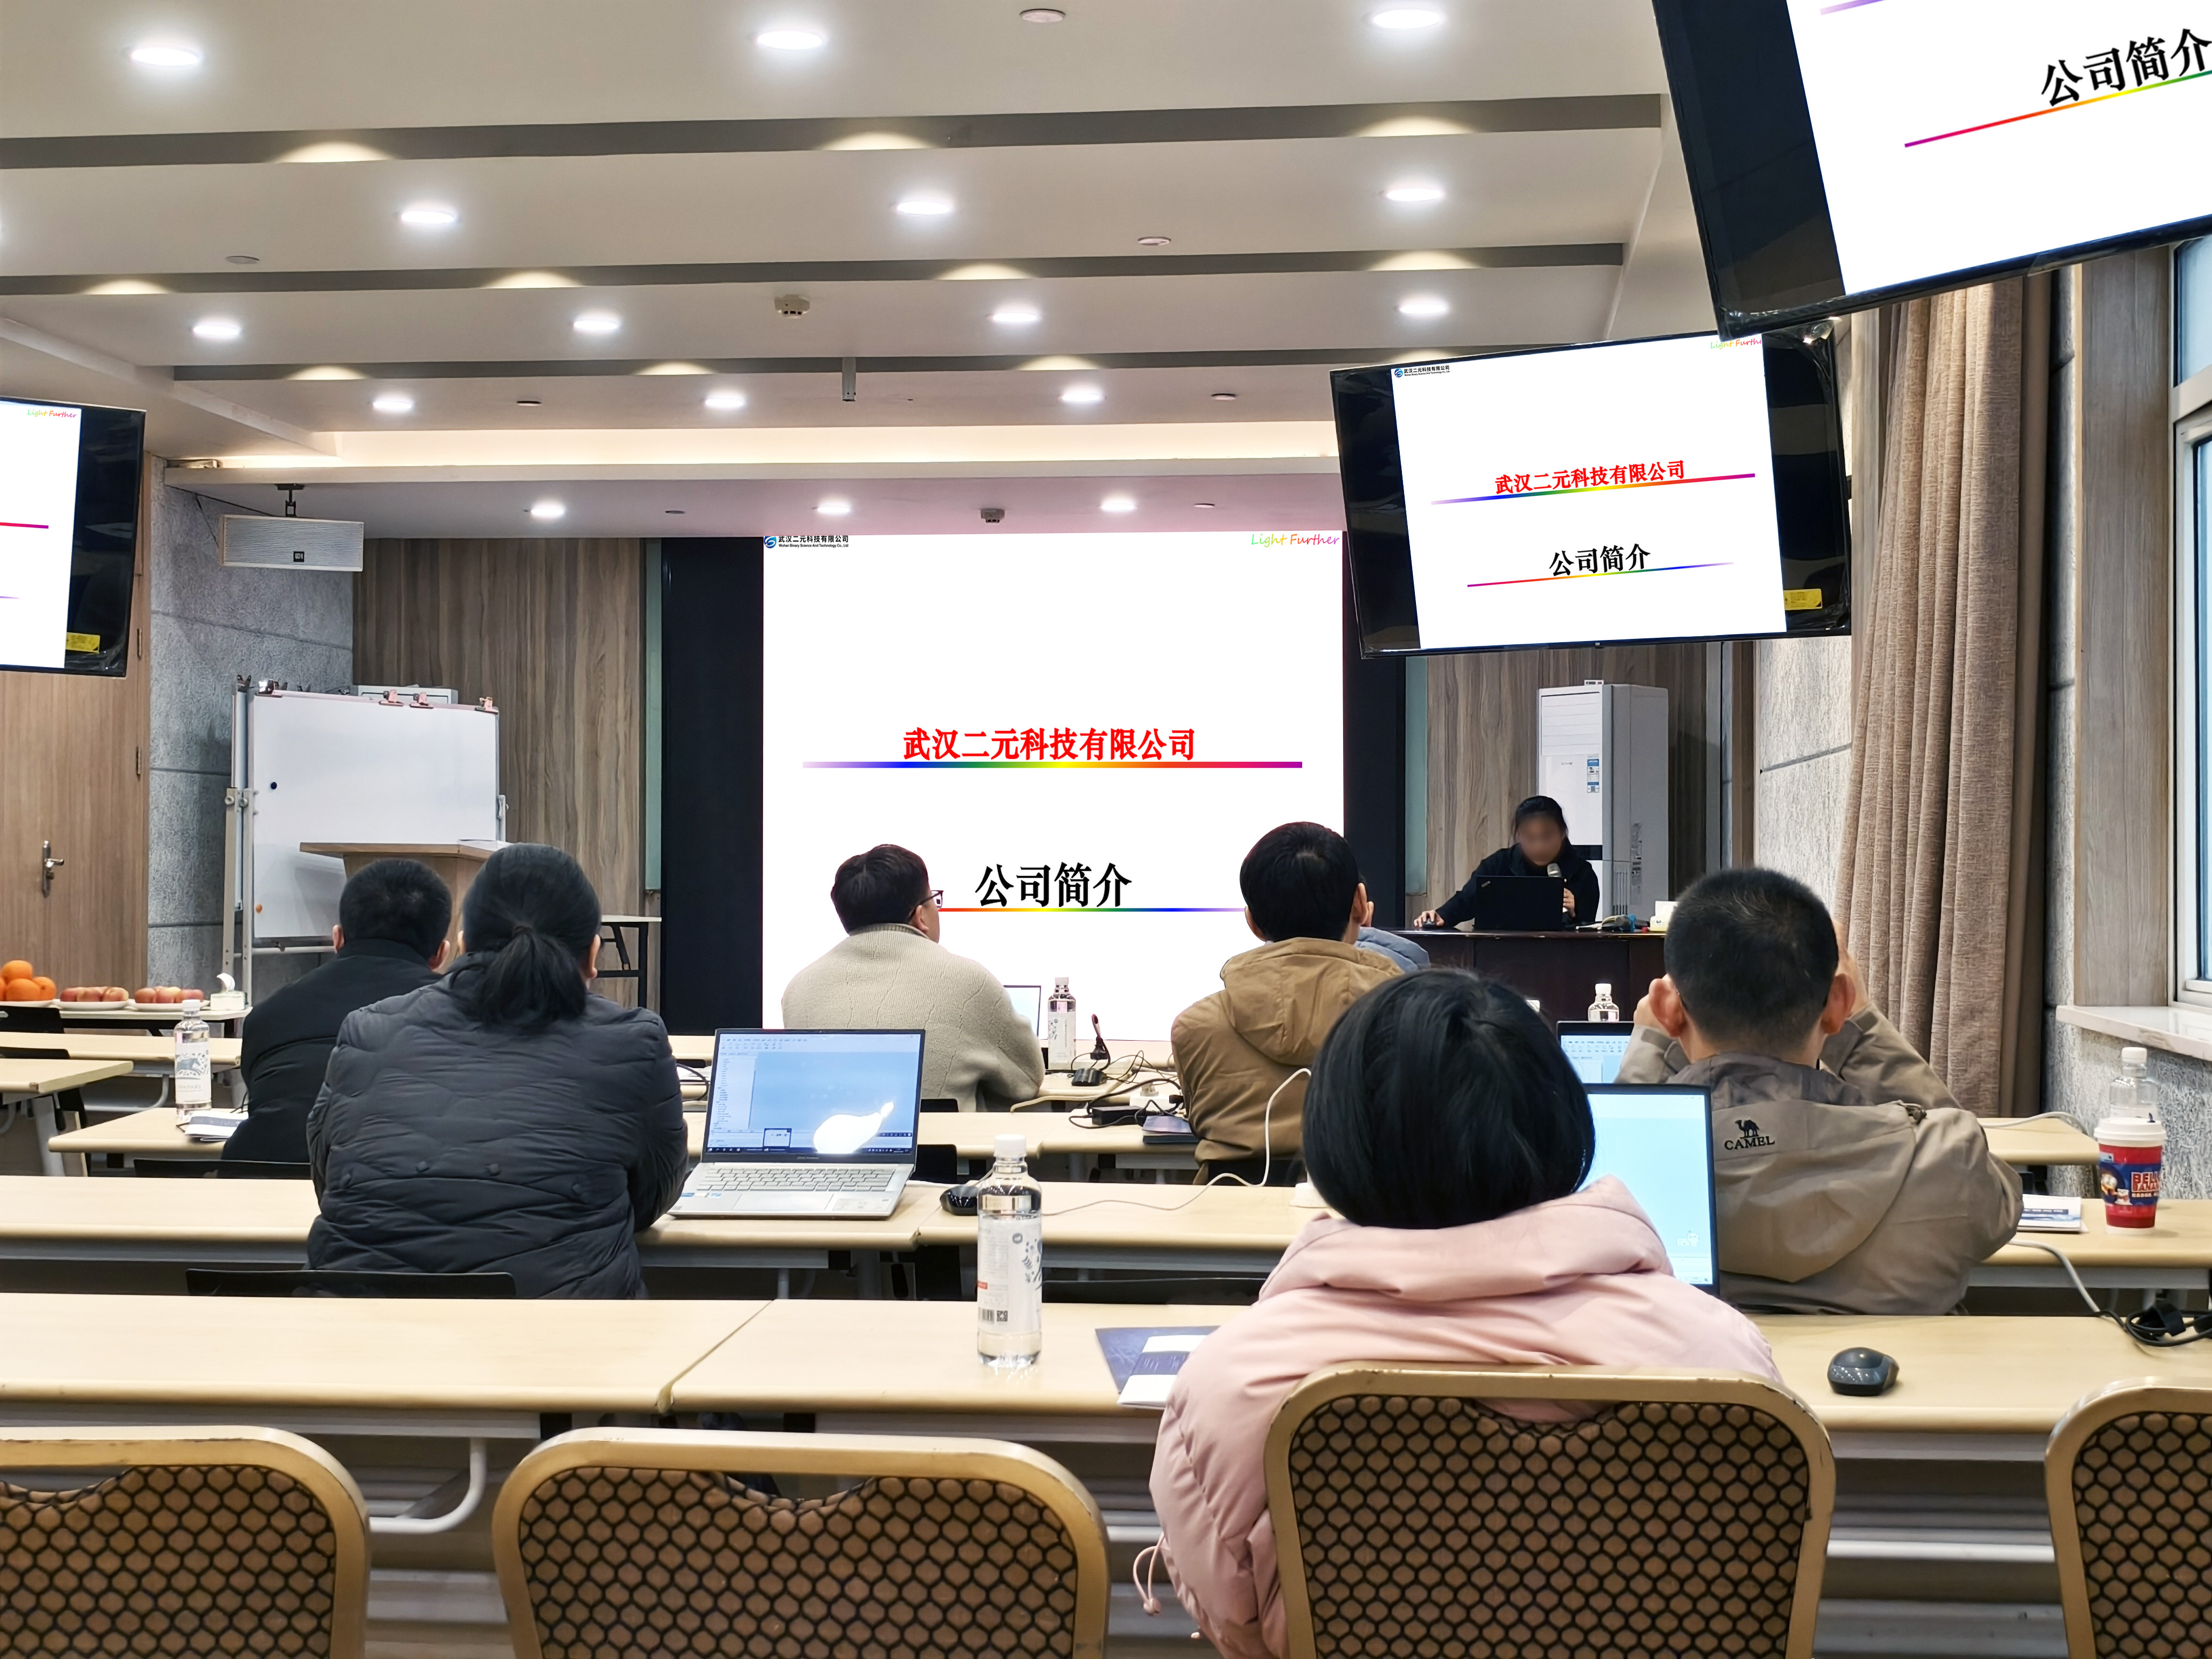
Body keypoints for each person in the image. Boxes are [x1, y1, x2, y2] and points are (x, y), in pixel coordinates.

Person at [1149, 970, 1782, 1659]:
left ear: (1333, 1137)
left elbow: (1232, 1618)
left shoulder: (1230, 1384)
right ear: (1563, 1121)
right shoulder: (1723, 1363)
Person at [1616, 866, 2022, 1315]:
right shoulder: (1947, 1163)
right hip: (1880, 1365)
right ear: (1838, 1005)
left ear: (1668, 1010)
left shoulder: (1622, 1176)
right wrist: (1861, 1032)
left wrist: (1649, 1048)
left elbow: (1607, 1164)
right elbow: (1994, 1193)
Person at [306, 844, 686, 1299]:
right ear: (593, 955)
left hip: (358, 1331)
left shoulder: (367, 1030)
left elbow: (330, 1183)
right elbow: (651, 1198)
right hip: (563, 1332)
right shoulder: (634, 1041)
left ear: (462, 945)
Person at [1171, 823, 1400, 1182]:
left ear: (1252, 922)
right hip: (1368, 1210)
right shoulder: (1411, 1020)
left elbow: (1200, 1124)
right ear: (1360, 904)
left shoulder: (1196, 1027)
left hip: (1227, 1212)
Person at [781, 844, 1045, 1111]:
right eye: (934, 900)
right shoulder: (969, 981)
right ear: (921, 916)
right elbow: (1026, 1080)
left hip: (831, 1138)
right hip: (941, 1140)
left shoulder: (799, 988)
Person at [227, 858, 452, 1165]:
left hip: (263, 1180)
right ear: (441, 953)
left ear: (338, 938)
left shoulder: (268, 1015)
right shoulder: (462, 1013)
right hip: (400, 1184)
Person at [1414, 794, 1599, 930]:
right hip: (1498, 954)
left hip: (1559, 959)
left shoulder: (1582, 873)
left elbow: (1590, 932)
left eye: (1547, 837)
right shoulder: (1499, 864)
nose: (1539, 846)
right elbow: (1466, 901)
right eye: (1531, 838)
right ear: (1519, 835)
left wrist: (1577, 912)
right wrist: (1440, 916)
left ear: (1563, 833)